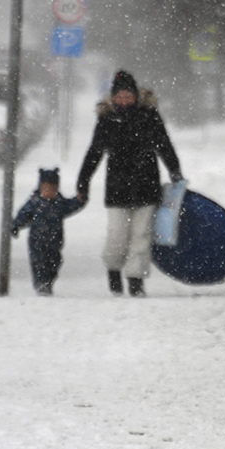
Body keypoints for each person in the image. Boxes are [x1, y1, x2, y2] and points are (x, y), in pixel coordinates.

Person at [77, 70, 183, 298]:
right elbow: (94, 152)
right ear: (113, 97)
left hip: (146, 182)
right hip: (118, 185)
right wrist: (83, 181)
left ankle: (136, 280)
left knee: (142, 235)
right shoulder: (106, 119)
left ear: (135, 95)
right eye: (120, 96)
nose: (124, 100)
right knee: (117, 234)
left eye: (128, 96)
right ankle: (114, 270)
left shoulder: (149, 116)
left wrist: (174, 170)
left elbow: (164, 145)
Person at [12, 168, 86, 296]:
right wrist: (15, 225)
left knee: (54, 261)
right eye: (46, 189)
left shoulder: (60, 203)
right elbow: (23, 214)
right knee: (38, 262)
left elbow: (71, 205)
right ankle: (41, 283)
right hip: (37, 240)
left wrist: (79, 200)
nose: (49, 193)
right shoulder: (34, 203)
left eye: (52, 189)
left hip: (55, 240)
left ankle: (49, 281)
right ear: (40, 188)